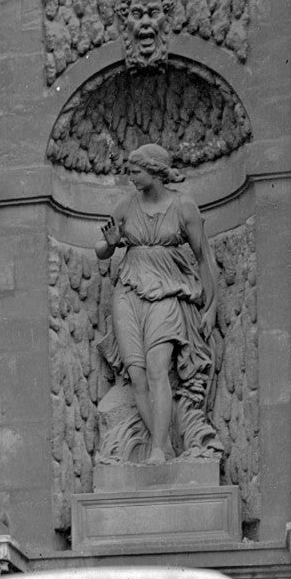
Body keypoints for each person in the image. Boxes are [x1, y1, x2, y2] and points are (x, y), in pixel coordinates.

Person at [94, 143, 220, 464]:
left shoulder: (184, 207)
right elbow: (101, 249)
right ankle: (162, 445)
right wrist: (109, 245)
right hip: (128, 292)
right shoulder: (126, 206)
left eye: (136, 171)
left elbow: (203, 257)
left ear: (155, 171)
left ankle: (158, 450)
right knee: (137, 375)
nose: (131, 177)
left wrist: (211, 306)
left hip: (167, 292)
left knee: (156, 369)